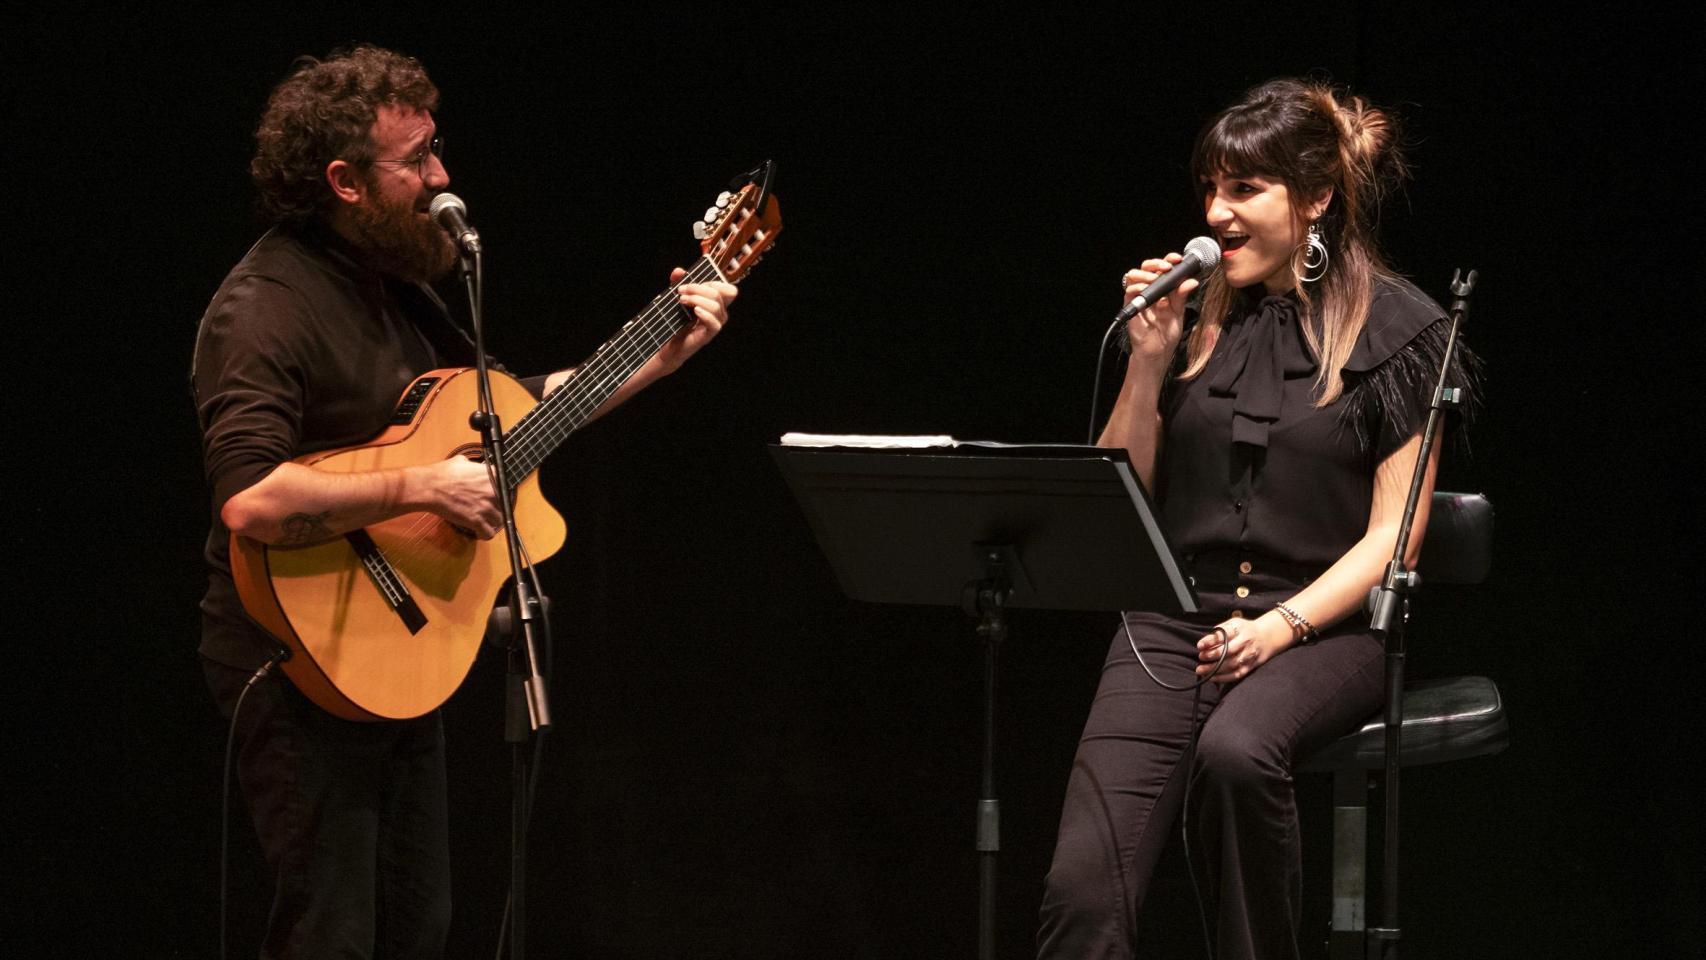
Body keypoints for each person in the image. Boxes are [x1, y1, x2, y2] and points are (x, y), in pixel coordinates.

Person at [191, 45, 737, 958]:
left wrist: (658, 350)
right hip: (297, 658)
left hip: (396, 654)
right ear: (345, 181)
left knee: (418, 926)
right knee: (332, 934)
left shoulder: (392, 286)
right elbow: (250, 498)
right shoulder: (263, 307)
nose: (443, 178)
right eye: (416, 162)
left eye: (437, 148)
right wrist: (419, 485)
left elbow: (499, 417)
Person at [1036, 78, 1477, 959]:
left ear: (1315, 198)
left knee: (1237, 757)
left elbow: (1397, 537)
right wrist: (1148, 359)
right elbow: (1124, 485)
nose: (1217, 212)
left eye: (1245, 189)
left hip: (1323, 629)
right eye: (1210, 188)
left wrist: (1279, 626)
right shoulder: (1200, 315)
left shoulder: (1402, 328)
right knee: (1083, 888)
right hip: (1171, 622)